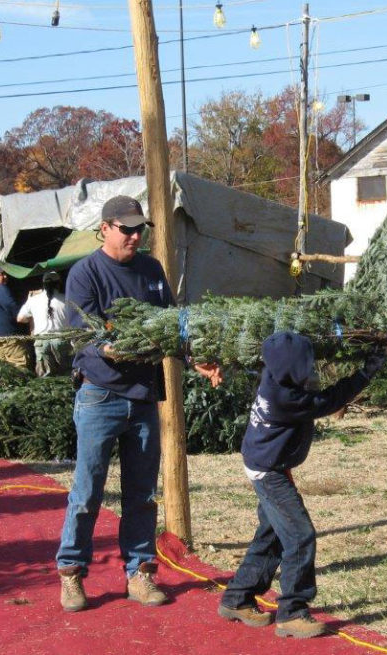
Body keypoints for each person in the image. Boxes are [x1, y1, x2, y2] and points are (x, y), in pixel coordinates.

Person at [56, 195, 221, 613]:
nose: (134, 235)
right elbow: (85, 335)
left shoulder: (151, 271)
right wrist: (115, 348)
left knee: (143, 494)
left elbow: (172, 324)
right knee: (87, 490)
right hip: (100, 396)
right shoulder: (84, 274)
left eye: (139, 229)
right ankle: (72, 573)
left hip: (145, 398)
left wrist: (193, 355)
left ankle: (140, 572)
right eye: (126, 228)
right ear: (105, 228)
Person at [218, 331, 387, 639]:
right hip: (269, 472)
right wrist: (367, 369)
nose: (310, 370)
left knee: (272, 535)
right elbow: (332, 398)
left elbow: (294, 356)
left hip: (265, 463)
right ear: (293, 369)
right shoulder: (288, 399)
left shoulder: (274, 375)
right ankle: (293, 612)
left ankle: (237, 598)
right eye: (306, 365)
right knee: (299, 535)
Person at [17, 271, 72, 377]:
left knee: (44, 378)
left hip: (41, 341)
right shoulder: (66, 299)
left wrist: (33, 319)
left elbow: (20, 318)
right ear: (59, 284)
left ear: (43, 284)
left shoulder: (33, 300)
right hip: (62, 340)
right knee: (65, 375)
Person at [0, 265, 31, 370]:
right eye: (1, 274)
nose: (4, 277)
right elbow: (12, 306)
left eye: (5, 274)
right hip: (7, 339)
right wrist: (25, 317)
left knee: (4, 371)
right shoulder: (0, 288)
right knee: (20, 368)